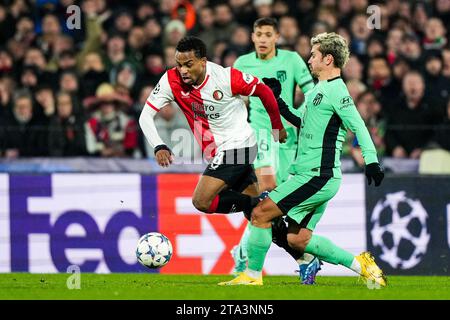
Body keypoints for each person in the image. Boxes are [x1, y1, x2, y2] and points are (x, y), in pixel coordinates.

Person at [219, 32, 386, 287]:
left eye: (314, 55)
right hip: (314, 175)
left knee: (261, 213)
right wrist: (279, 101)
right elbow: (301, 120)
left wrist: (371, 160)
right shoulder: (319, 91)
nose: (309, 60)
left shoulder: (337, 91)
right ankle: (361, 265)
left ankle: (251, 276)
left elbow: (359, 126)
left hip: (318, 175)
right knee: (298, 239)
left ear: (328, 59)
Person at [139, 36, 287, 218]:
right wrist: (158, 145)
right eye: (179, 64)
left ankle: (265, 202)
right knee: (256, 215)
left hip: (239, 146)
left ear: (203, 62)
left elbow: (263, 90)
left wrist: (277, 127)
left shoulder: (225, 77)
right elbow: (145, 116)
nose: (183, 70)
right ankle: (283, 231)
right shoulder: (171, 80)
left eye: (188, 64)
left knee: (201, 201)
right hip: (217, 151)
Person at [231, 17, 321, 285]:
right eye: (258, 34)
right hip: (259, 135)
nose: (262, 39)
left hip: (287, 139)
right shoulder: (242, 64)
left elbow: (312, 91)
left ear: (277, 37)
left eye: (267, 34)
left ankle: (246, 251)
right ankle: (247, 260)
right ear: (252, 36)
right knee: (267, 193)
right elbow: (232, 101)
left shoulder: (292, 60)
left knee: (275, 205)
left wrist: (299, 118)